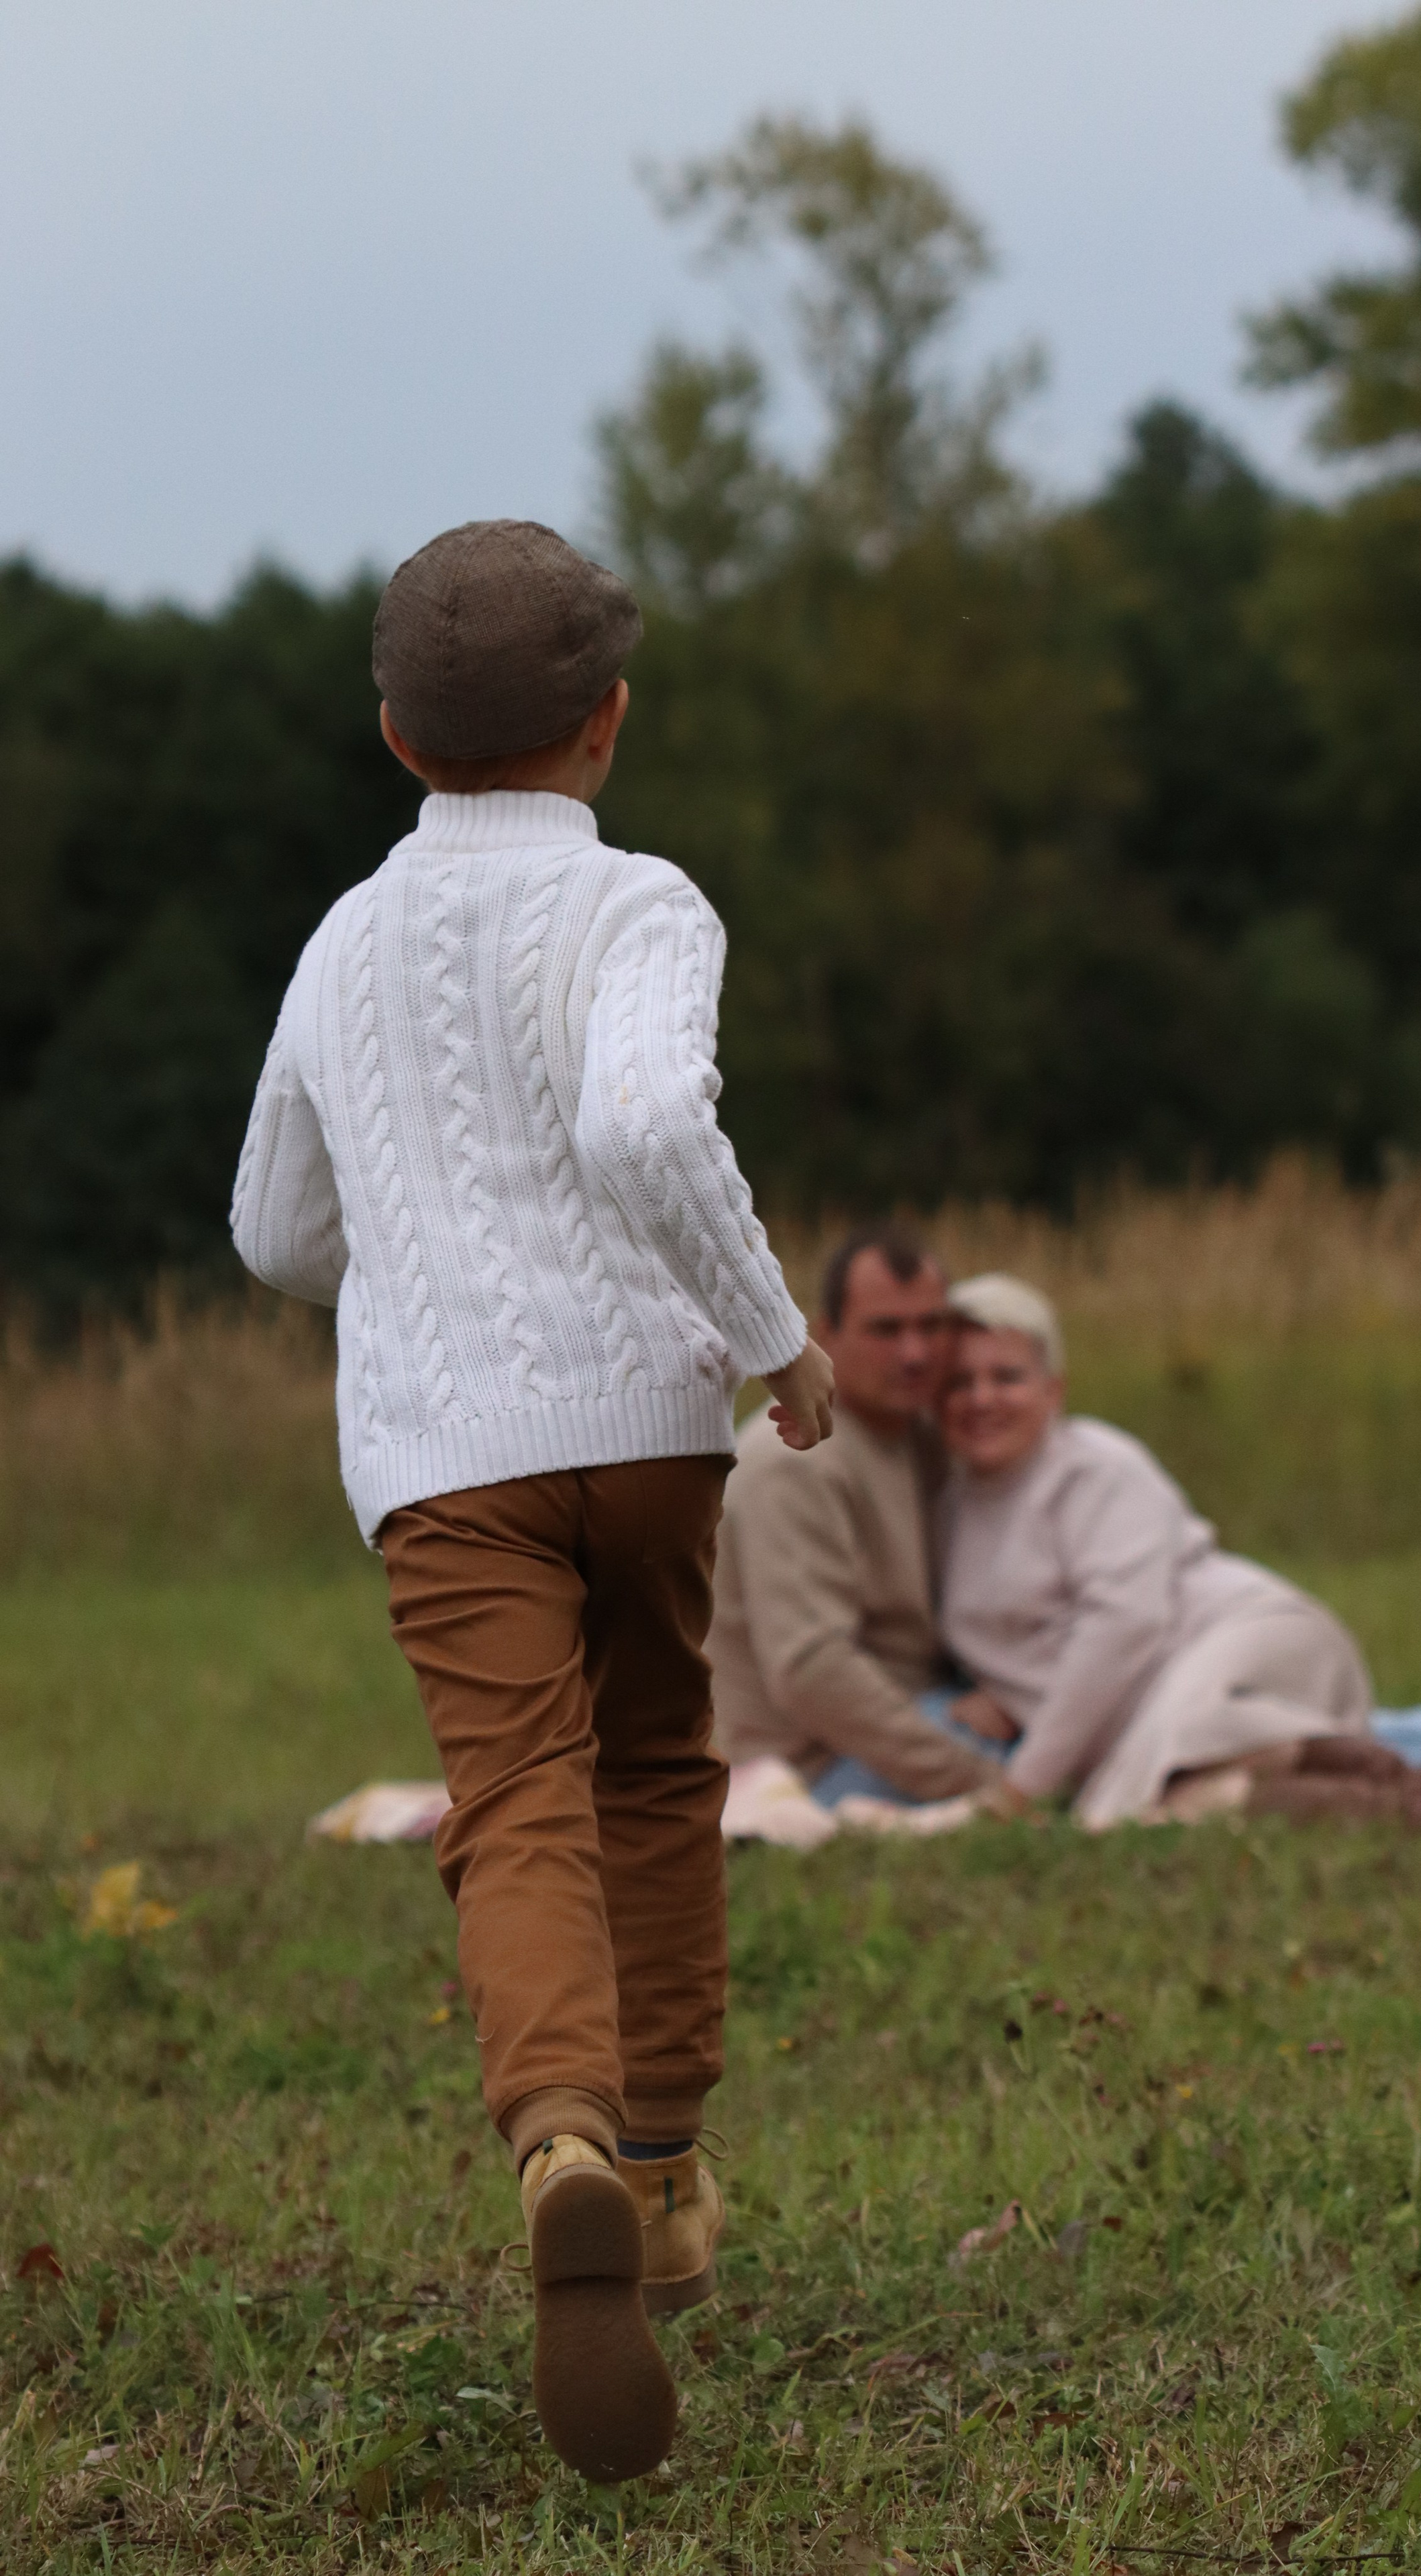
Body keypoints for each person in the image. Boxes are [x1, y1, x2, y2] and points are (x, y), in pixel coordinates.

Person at [230, 520, 835, 2485]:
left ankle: (557, 2130)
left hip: (443, 1459)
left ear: (397, 737)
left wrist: (422, 1259)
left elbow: (273, 1229)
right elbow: (648, 1120)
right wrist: (773, 1335)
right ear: (609, 718)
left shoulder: (339, 942)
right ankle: (655, 2170)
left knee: (514, 1798)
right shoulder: (638, 904)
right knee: (658, 1768)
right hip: (648, 1424)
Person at [936, 1273, 1421, 1829]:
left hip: (1232, 1645)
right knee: (1193, 1799)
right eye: (961, 1382)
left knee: (1172, 1761)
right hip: (1151, 1705)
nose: (982, 1398)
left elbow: (1122, 1625)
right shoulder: (949, 1508)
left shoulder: (1096, 1467)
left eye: (1007, 1376)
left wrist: (1020, 1788)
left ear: (1055, 1389)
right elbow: (1023, 1625)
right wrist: (1004, 1692)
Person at [708, 1227, 998, 1805]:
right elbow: (812, 1671)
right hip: (810, 1767)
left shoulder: (918, 1435)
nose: (915, 1354)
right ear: (826, 1335)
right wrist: (986, 1784)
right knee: (1066, 1759)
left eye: (931, 1326)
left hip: (915, 1717)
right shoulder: (795, 1458)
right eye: (886, 1330)